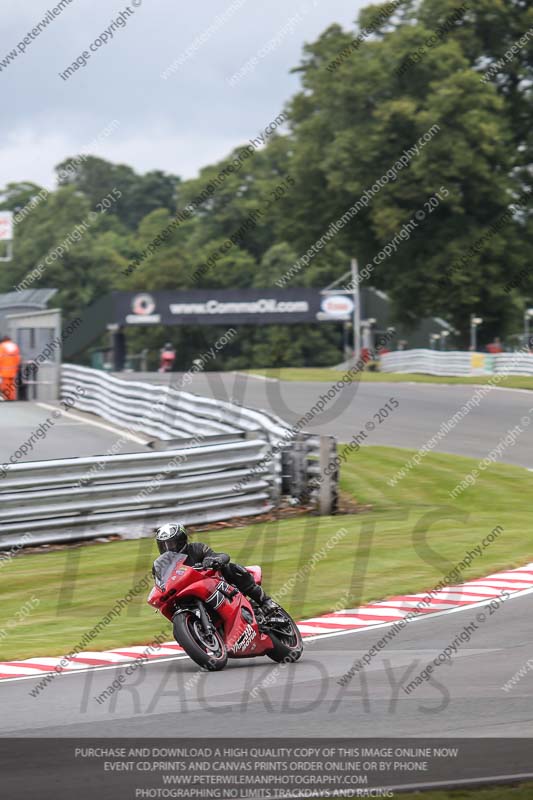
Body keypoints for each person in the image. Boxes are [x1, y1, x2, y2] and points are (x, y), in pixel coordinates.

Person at [153, 522, 278, 613]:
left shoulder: (196, 548)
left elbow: (218, 555)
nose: (167, 549)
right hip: (186, 594)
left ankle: (265, 601)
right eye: (163, 546)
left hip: (214, 585)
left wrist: (212, 560)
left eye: (171, 544)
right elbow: (160, 582)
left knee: (231, 568)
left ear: (181, 541)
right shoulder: (162, 565)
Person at [0, 335, 21, 401]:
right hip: (13, 370)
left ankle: (5, 397)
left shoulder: (2, 346)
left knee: (4, 384)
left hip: (4, 370)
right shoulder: (15, 346)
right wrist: (17, 367)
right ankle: (11, 397)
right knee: (12, 384)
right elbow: (18, 358)